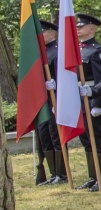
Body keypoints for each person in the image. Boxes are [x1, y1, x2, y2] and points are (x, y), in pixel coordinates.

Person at [75, 13, 101, 191]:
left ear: (92, 29)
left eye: (82, 26)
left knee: (96, 138)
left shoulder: (97, 51)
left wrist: (97, 103)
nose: (78, 28)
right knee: (86, 139)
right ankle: (92, 176)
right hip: (79, 100)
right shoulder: (77, 49)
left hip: (92, 99)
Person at [38, 20, 68, 186]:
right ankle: (53, 172)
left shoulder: (57, 52)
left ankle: (62, 173)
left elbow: (65, 77)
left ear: (51, 33)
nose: (40, 36)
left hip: (55, 99)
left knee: (56, 135)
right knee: (45, 135)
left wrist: (56, 84)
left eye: (43, 32)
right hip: (43, 100)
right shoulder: (40, 53)